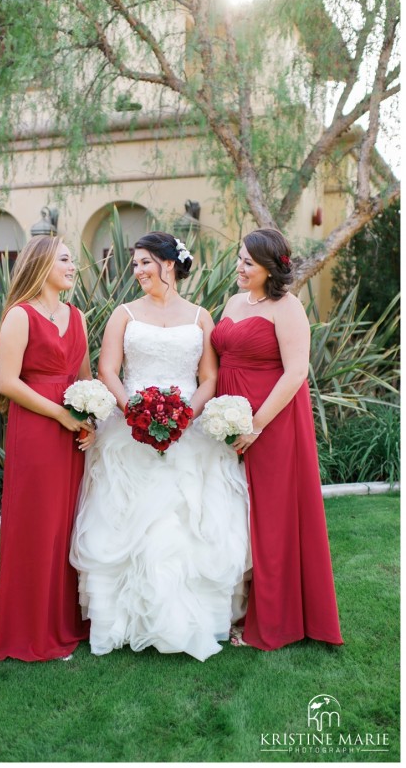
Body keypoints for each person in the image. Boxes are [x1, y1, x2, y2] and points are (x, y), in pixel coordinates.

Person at [70, 232, 250, 662]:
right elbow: (108, 369)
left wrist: (184, 413)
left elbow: (209, 376)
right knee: (127, 519)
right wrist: (133, 408)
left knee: (187, 520)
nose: (139, 272)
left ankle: (194, 621)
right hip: (130, 428)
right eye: (135, 265)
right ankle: (123, 621)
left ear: (170, 264)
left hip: (189, 427)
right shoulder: (124, 314)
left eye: (146, 263)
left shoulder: (200, 317)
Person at [211, 227, 343, 651]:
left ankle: (274, 619)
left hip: (271, 421)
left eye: (248, 262)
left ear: (270, 268)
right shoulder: (233, 302)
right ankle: (233, 604)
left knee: (271, 518)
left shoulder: (287, 307)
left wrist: (256, 424)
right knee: (234, 515)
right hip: (226, 421)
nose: (240, 267)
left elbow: (295, 373)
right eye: (239, 258)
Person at [0, 234, 94, 661]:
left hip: (72, 431)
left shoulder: (78, 316)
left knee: (69, 523)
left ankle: (65, 622)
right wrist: (60, 414)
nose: (73, 267)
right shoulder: (20, 316)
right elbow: (7, 382)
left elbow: (85, 377)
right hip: (37, 430)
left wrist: (89, 419)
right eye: (66, 259)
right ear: (42, 264)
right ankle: (29, 629)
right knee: (38, 525)